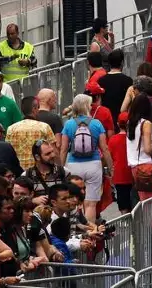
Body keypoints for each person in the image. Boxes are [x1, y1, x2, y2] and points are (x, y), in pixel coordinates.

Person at [59, 94, 111, 222]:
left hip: (74, 165)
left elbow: (64, 148)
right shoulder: (96, 124)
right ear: (87, 106)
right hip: (93, 164)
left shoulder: (69, 124)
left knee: (74, 202)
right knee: (91, 204)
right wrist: (110, 166)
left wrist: (60, 169)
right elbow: (104, 148)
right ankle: (89, 233)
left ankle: (76, 232)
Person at [5, 96, 56, 171]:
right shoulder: (44, 127)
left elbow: (8, 152)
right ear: (34, 109)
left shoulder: (11, 129)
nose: (39, 110)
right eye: (38, 107)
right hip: (40, 171)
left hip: (19, 172)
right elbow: (53, 150)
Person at [125, 93, 152, 202]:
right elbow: (148, 149)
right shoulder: (146, 123)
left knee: (144, 201)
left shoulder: (130, 123)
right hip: (148, 165)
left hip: (135, 165)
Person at [97, 49, 132, 124]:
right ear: (122, 62)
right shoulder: (128, 81)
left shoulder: (101, 80)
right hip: (122, 120)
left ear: (109, 63)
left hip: (105, 120)